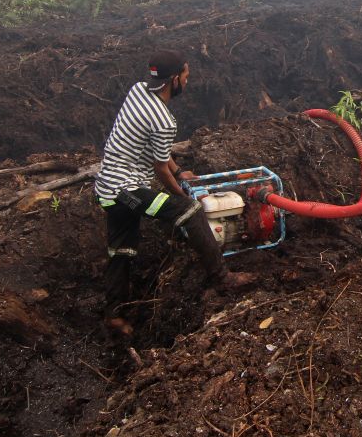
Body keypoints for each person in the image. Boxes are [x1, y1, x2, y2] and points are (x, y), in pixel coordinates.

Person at [93, 49, 251, 338]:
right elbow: (160, 169)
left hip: (105, 188)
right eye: (186, 77)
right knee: (189, 211)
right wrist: (182, 193)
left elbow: (163, 158)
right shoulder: (164, 120)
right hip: (124, 193)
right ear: (174, 80)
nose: (187, 83)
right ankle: (223, 278)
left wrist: (180, 172)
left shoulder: (138, 90)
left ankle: (113, 314)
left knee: (122, 250)